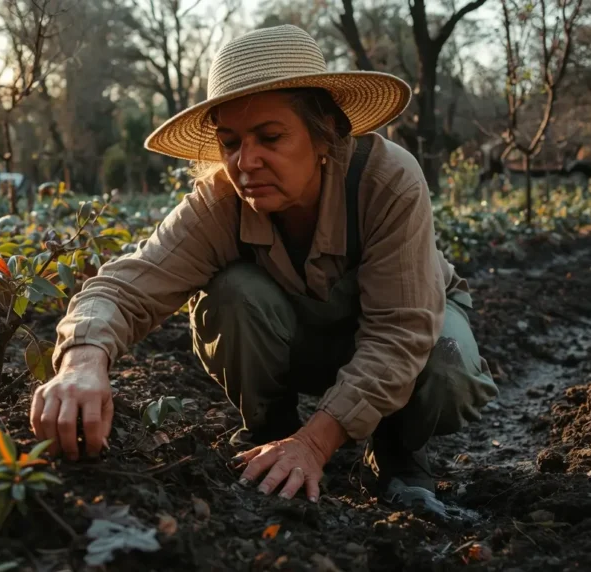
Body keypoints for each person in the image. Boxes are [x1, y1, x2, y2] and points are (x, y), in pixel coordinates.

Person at [29, 25, 497, 514]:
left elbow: (400, 332)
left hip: (406, 335)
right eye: (229, 142)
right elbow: (128, 283)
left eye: (270, 137)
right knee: (232, 293)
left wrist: (316, 444)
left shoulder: (387, 181)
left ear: (325, 134)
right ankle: (270, 434)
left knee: (446, 364)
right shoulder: (221, 202)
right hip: (307, 343)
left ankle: (398, 452)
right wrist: (82, 361)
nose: (245, 161)